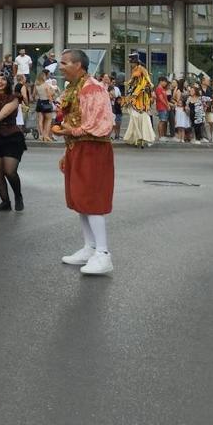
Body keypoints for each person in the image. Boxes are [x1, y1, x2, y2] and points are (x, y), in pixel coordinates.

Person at [55, 49, 115, 276]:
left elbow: (102, 123)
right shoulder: (74, 88)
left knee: (91, 199)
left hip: (93, 148)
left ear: (78, 65)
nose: (60, 67)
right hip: (78, 146)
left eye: (64, 63)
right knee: (80, 199)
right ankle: (90, 248)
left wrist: (73, 131)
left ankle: (103, 253)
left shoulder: (93, 88)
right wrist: (67, 149)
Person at [0, 72, 27, 211]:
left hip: (11, 137)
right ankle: (5, 201)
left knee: (9, 171)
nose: (0, 81)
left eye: (3, 79)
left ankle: (18, 196)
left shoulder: (13, 98)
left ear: (8, 82)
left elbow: (4, 113)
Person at [122, 60, 154, 148]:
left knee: (141, 120)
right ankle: (138, 138)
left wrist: (137, 91)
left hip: (142, 100)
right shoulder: (136, 75)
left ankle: (141, 138)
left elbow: (147, 85)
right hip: (137, 100)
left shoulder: (143, 74)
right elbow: (132, 83)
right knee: (136, 120)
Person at [35, 69, 57, 142]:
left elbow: (34, 95)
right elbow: (49, 95)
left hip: (39, 102)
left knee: (40, 120)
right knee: (48, 119)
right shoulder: (46, 85)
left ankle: (41, 135)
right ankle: (46, 135)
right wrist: (51, 102)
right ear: (43, 77)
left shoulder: (36, 85)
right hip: (46, 102)